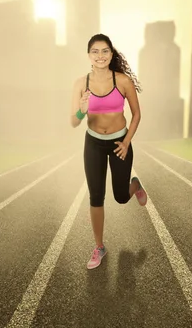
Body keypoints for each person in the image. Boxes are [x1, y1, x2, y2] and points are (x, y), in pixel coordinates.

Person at [70, 33, 148, 270]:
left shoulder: (123, 81)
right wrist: (82, 111)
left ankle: (134, 185)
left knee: (121, 197)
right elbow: (74, 122)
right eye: (95, 51)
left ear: (111, 54)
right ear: (88, 56)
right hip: (93, 143)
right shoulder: (80, 83)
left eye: (105, 51)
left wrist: (126, 142)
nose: (100, 56)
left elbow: (136, 114)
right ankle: (99, 247)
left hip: (119, 143)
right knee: (96, 196)